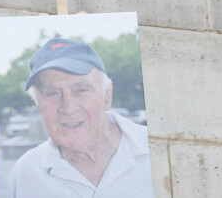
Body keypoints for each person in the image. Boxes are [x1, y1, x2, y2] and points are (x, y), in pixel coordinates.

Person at [9, 37, 153, 197]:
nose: (68, 108)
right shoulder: (25, 174)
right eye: (52, 93)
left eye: (81, 89)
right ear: (38, 105)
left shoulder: (156, 148)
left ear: (107, 96)